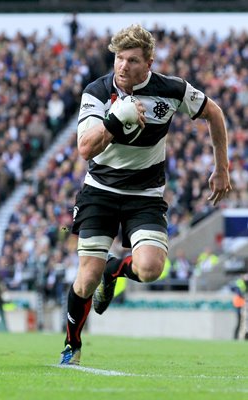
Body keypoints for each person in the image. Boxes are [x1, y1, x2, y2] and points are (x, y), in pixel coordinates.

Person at [60, 24, 232, 365]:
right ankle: (72, 345)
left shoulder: (171, 90)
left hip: (146, 194)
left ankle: (114, 270)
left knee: (151, 269)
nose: (123, 67)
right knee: (86, 278)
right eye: (119, 59)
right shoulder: (97, 92)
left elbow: (214, 112)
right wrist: (114, 120)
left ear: (149, 62)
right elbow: (84, 148)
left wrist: (222, 167)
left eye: (132, 60)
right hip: (100, 192)